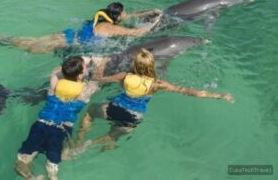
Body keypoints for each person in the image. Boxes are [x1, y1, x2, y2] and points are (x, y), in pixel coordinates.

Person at [64, 48, 234, 157]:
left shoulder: (124, 76)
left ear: (135, 65)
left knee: (91, 112)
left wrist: (100, 65)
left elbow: (100, 79)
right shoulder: (157, 84)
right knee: (111, 138)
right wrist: (219, 95)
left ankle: (79, 141)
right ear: (151, 66)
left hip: (114, 108)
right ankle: (89, 147)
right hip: (132, 118)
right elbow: (188, 92)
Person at [15, 56, 98, 180]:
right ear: (80, 75)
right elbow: (96, 81)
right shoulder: (86, 90)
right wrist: (91, 62)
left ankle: (30, 178)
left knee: (22, 161)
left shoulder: (54, 86)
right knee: (52, 166)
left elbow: (56, 72)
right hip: (59, 131)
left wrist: (75, 65)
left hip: (40, 125)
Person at [0, 2, 161, 54]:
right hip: (65, 42)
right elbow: (139, 32)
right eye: (124, 12)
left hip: (67, 35)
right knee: (30, 48)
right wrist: (156, 21)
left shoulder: (101, 18)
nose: (127, 14)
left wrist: (150, 12)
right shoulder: (111, 28)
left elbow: (131, 16)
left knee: (31, 41)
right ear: (117, 16)